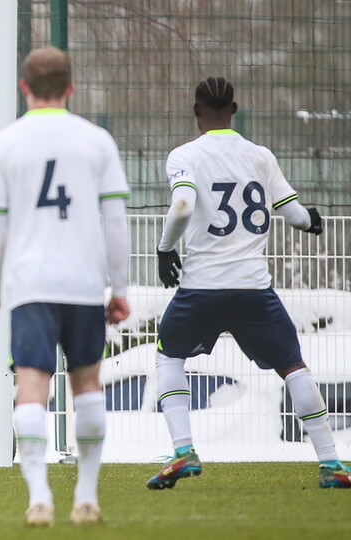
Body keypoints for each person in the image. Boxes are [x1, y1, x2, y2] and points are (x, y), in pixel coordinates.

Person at [148, 77, 351, 490]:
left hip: (202, 287)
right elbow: (294, 215)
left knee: (169, 358)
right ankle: (332, 463)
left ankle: (184, 451)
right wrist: (312, 220)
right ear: (234, 109)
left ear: (197, 112)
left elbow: (183, 203)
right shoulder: (259, 156)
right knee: (294, 368)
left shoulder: (185, 155)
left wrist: (165, 249)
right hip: (254, 289)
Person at [0, 47, 131, 527]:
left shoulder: (5, 144)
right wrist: (119, 288)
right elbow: (115, 221)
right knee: (86, 389)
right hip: (84, 284)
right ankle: (85, 494)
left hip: (29, 285)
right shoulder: (97, 140)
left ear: (24, 87)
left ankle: (40, 494)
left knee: (31, 391)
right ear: (70, 87)